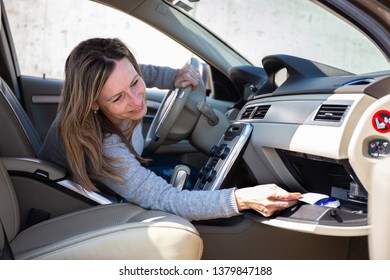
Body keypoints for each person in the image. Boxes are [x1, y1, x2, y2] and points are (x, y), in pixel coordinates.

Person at [38, 37, 301, 221]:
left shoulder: (114, 79)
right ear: (93, 103)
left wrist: (172, 77)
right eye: (118, 98)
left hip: (132, 167)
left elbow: (143, 72)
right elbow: (168, 200)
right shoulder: (103, 146)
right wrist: (242, 199)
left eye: (135, 83)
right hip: (99, 199)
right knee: (202, 187)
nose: (137, 101)